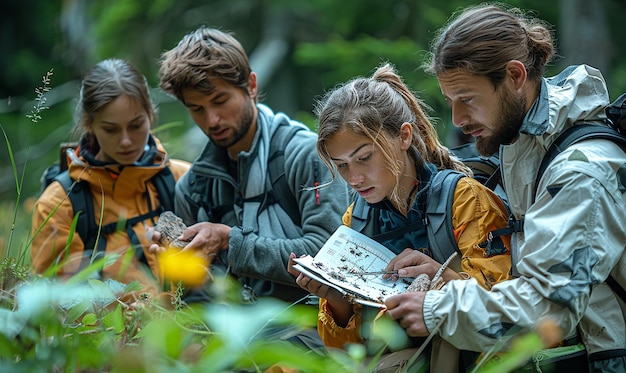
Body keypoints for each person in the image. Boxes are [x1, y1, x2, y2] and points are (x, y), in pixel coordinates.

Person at [382, 3, 626, 372]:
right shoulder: (523, 142)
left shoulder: (581, 172)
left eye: (467, 99)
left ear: (514, 76)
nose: (458, 120)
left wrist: (438, 309)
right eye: (450, 102)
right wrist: (446, 277)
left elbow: (551, 307)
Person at [287, 63, 513, 370]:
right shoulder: (357, 220)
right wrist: (337, 302)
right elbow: (346, 352)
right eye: (341, 166)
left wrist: (442, 277)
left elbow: (508, 307)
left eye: (364, 158)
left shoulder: (465, 200)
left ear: (404, 137)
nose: (353, 178)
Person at [154, 26, 349, 310]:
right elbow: (194, 296)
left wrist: (229, 242)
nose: (212, 120)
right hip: (225, 338)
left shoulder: (305, 155)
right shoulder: (193, 188)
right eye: (197, 109)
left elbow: (331, 260)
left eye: (220, 101)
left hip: (309, 333)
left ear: (251, 86)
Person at [30, 58, 191, 303]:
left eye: (136, 125)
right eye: (111, 129)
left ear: (150, 114)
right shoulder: (59, 204)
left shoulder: (181, 178)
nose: (126, 141)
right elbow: (62, 309)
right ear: (89, 124)